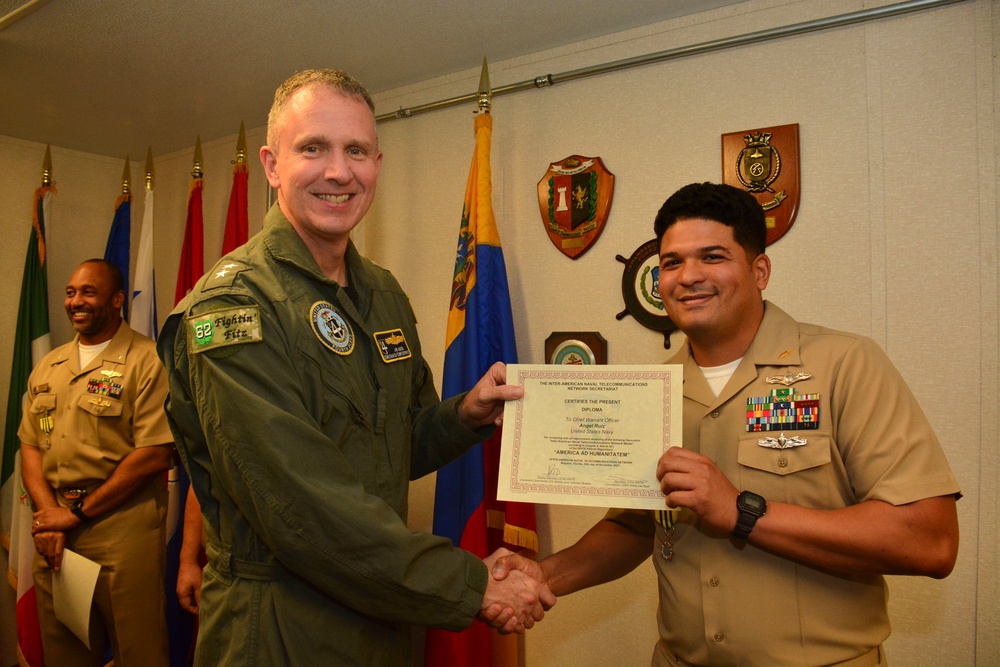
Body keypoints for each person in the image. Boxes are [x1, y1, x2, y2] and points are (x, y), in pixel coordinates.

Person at [156, 68, 553, 666]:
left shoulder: (381, 293)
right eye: (312, 148)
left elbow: (394, 445)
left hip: (383, 615)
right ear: (270, 164)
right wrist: (473, 585)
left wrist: (465, 416)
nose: (338, 171)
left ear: (376, 164)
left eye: (356, 151)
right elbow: (302, 507)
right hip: (282, 629)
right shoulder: (235, 305)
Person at [495, 182, 961, 666]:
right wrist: (542, 578)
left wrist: (741, 510)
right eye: (672, 262)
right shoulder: (651, 392)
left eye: (712, 256)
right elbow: (637, 526)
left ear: (759, 270)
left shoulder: (844, 363)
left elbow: (929, 541)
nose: (687, 276)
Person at [19, 259, 174, 667]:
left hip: (122, 528)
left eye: (89, 292)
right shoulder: (49, 365)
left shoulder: (147, 360)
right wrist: (51, 514)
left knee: (138, 650)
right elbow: (30, 446)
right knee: (65, 651)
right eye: (71, 292)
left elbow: (154, 454)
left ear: (118, 299)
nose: (76, 302)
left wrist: (76, 515)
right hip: (58, 530)